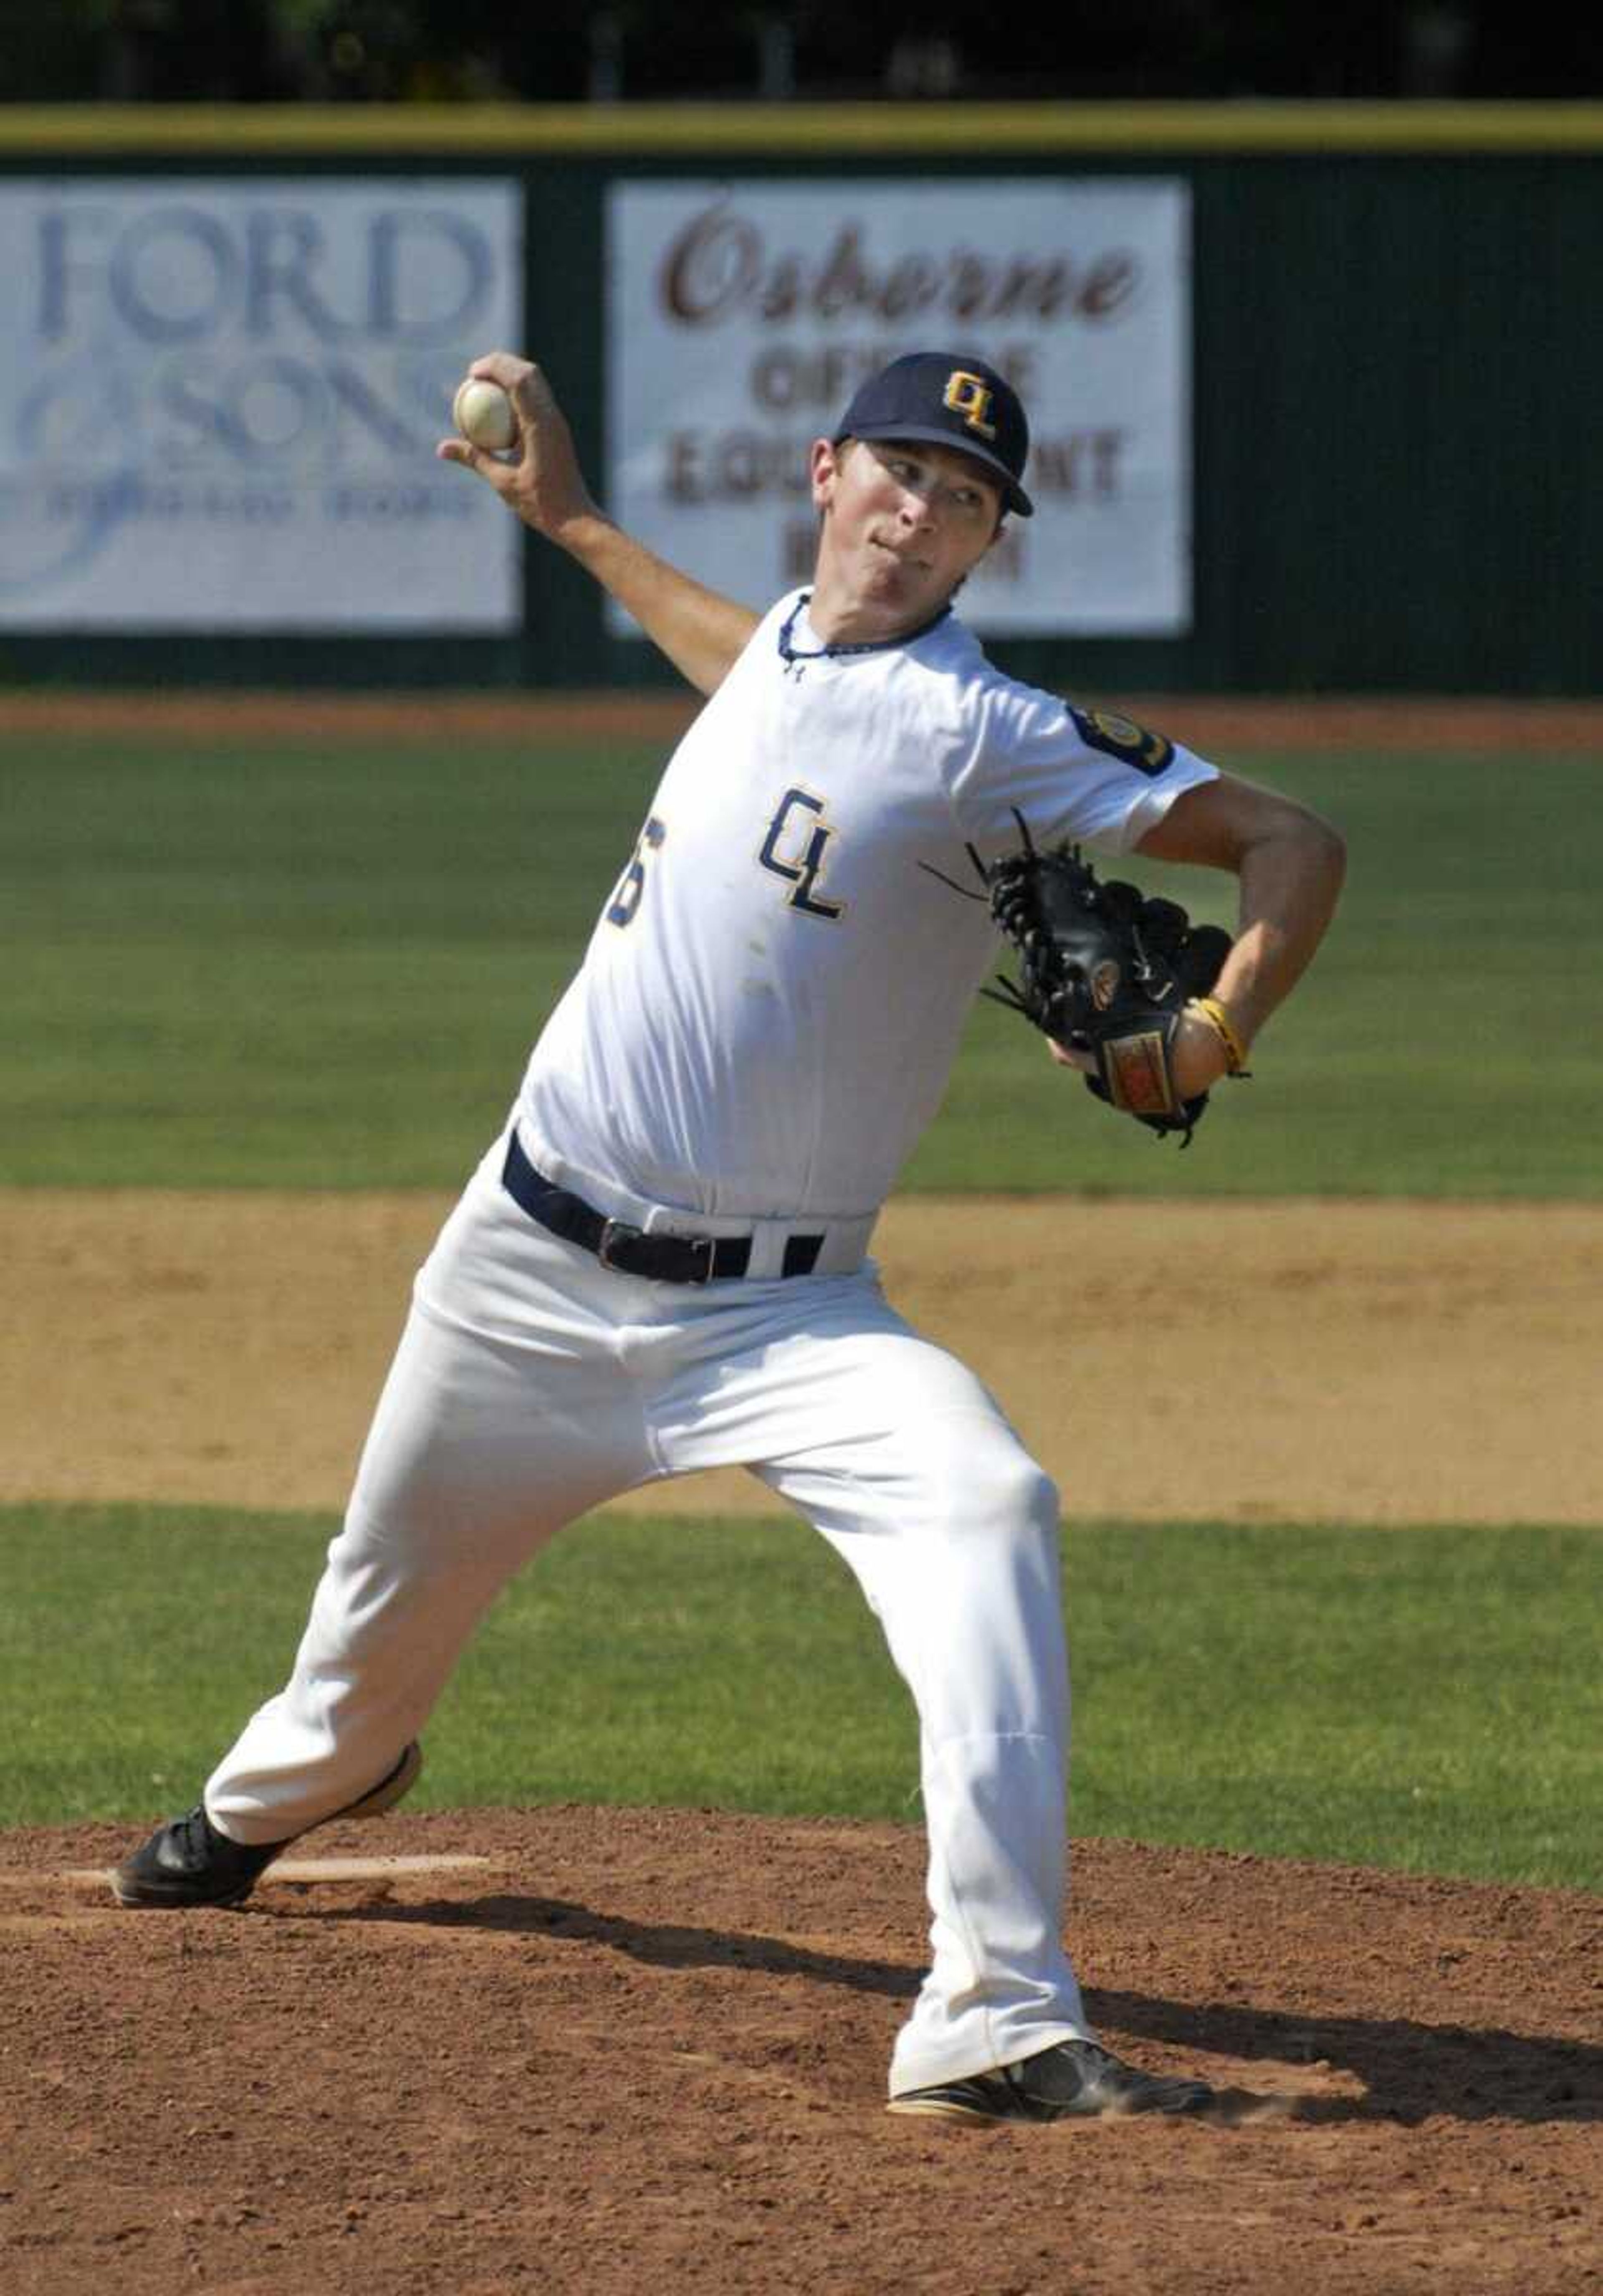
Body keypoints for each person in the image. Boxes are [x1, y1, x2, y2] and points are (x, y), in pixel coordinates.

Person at [113, 350, 1345, 2124]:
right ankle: (279, 1802)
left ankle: (993, 2009)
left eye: (970, 498)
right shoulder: (780, 644)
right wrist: (575, 522)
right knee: (358, 1656)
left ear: (991, 544)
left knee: (989, 1502)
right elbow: (737, 664)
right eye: (905, 472)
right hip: (524, 1280)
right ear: (831, 470)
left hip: (794, 1320)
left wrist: (1218, 1029)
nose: (925, 512)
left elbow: (1294, 840)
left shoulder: (985, 730)